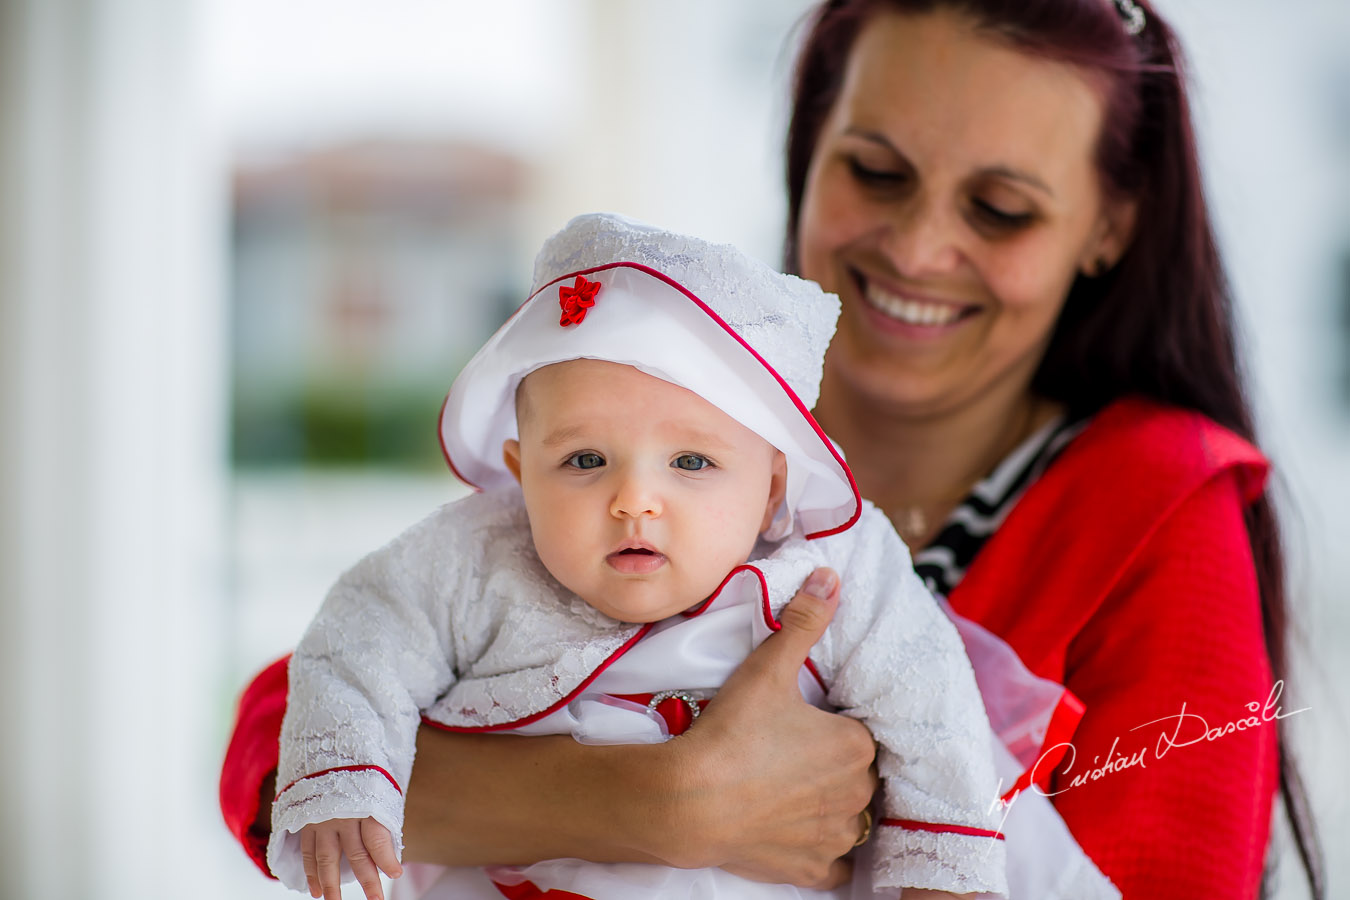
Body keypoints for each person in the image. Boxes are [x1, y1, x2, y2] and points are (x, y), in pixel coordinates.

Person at [221, 1, 1324, 897]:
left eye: (999, 208)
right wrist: (672, 805)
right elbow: (286, 733)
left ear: (1109, 227)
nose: (919, 245)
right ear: (809, 151)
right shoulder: (650, 402)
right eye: (876, 174)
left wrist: (487, 791)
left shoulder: (1157, 502)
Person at [266, 212, 1123, 900]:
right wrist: (344, 776)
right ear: (521, 474)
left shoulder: (834, 570)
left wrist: (942, 870)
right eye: (584, 460)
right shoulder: (474, 557)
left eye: (692, 463)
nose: (634, 500)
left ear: (773, 479)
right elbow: (359, 636)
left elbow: (931, 705)